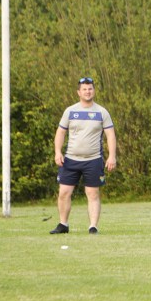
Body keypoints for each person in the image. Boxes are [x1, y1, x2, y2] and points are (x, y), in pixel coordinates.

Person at [50, 76, 117, 235]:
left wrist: (112, 156)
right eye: (84, 89)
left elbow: (110, 135)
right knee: (64, 193)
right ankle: (63, 224)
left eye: (90, 89)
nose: (88, 92)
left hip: (93, 160)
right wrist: (58, 152)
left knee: (92, 194)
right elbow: (60, 132)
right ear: (79, 92)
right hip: (70, 159)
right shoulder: (70, 111)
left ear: (94, 91)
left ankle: (93, 226)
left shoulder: (102, 112)